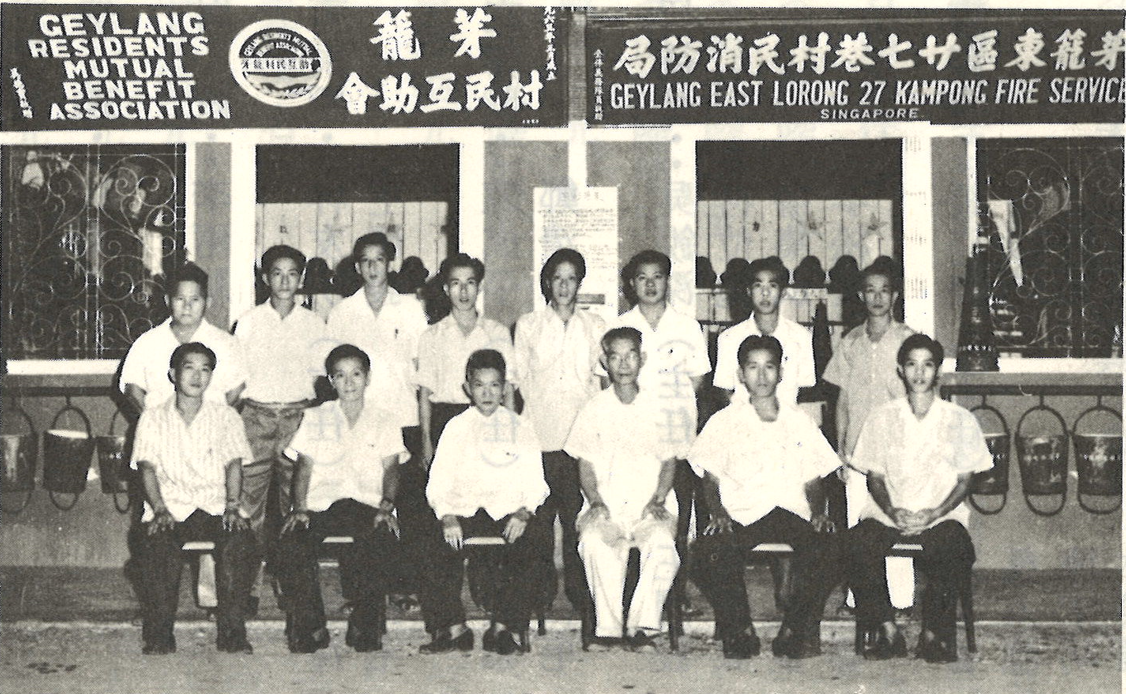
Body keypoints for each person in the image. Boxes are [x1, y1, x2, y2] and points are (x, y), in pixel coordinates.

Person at [689, 335, 842, 660]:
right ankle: (740, 628)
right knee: (709, 551)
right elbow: (710, 480)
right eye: (753, 367)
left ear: (781, 373)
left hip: (790, 512)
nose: (761, 376)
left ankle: (793, 629)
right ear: (741, 374)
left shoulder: (800, 422)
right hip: (743, 513)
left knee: (830, 548)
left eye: (769, 367)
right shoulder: (724, 421)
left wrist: (819, 512)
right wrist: (717, 513)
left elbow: (814, 481)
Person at [847, 334, 992, 664]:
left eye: (928, 364)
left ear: (937, 371)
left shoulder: (959, 419)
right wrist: (892, 510)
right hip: (890, 512)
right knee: (856, 544)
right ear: (900, 370)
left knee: (955, 547)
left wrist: (934, 512)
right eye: (911, 364)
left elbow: (965, 480)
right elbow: (875, 476)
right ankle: (886, 630)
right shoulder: (881, 417)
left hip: (940, 514)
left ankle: (933, 633)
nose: (919, 372)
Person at [120, 262, 249, 614]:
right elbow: (132, 388)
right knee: (156, 529)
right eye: (180, 299)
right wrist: (158, 422)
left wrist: (210, 419)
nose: (187, 307)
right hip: (163, 445)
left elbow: (236, 391)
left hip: (211, 445)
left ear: (205, 301)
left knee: (218, 528)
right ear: (168, 301)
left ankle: (213, 598)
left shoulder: (224, 341)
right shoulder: (149, 342)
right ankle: (157, 605)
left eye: (195, 299)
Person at [274, 344, 405, 654]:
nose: (349, 383)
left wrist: (387, 504)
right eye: (341, 376)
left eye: (356, 374)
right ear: (331, 380)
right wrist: (300, 508)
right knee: (292, 540)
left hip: (367, 503)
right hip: (322, 504)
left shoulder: (385, 418)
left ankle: (365, 625)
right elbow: (303, 467)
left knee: (379, 535)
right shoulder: (316, 416)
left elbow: (392, 469)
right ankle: (311, 626)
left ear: (368, 378)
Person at [419, 349, 551, 656]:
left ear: (505, 387)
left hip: (507, 511)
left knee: (534, 542)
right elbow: (438, 481)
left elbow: (536, 482)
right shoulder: (455, 428)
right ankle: (453, 628)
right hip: (465, 510)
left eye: (495, 385)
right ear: (467, 388)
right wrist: (447, 515)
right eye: (480, 385)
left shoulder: (522, 427)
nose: (488, 393)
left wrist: (524, 512)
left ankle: (504, 627)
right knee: (428, 541)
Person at [130, 342, 256, 655]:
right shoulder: (152, 418)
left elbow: (234, 464)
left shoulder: (226, 416)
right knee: (157, 546)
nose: (197, 376)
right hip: (170, 507)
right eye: (189, 368)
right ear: (173, 374)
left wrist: (232, 506)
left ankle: (233, 635)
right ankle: (159, 636)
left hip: (214, 505)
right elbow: (146, 467)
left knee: (240, 541)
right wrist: (159, 509)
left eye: (205, 369)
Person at [566, 327, 680, 651]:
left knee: (662, 547)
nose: (624, 364)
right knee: (592, 541)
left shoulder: (659, 407)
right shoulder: (594, 408)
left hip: (650, 505)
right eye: (615, 356)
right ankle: (608, 629)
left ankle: (642, 627)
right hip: (607, 504)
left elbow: (669, 461)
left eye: (631, 355)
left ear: (642, 359)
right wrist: (596, 502)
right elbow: (584, 464)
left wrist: (659, 498)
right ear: (605, 361)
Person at [233, 245, 330, 611]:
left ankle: (294, 591)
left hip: (297, 417)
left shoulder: (314, 324)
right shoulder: (249, 321)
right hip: (256, 416)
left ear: (302, 279)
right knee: (247, 506)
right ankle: (247, 591)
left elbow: (323, 380)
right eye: (277, 273)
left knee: (297, 505)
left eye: (292, 274)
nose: (285, 280)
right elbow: (238, 377)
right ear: (265, 278)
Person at [513, 248, 607, 612]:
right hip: (539, 435)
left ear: (579, 282)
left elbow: (601, 385)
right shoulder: (528, 325)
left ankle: (582, 595)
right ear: (547, 283)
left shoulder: (595, 325)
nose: (564, 286)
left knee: (577, 520)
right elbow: (517, 382)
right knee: (538, 524)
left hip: (581, 439)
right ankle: (539, 595)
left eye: (571, 278)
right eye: (557, 278)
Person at [823, 263, 916, 615]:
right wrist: (842, 451)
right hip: (859, 453)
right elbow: (843, 401)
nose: (877, 298)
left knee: (895, 521)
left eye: (884, 290)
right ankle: (858, 597)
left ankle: (901, 598)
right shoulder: (850, 342)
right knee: (857, 525)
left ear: (894, 296)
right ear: (861, 296)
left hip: (896, 452)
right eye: (870, 291)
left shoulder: (908, 340)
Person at [609, 250, 710, 550]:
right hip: (632, 433)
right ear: (631, 284)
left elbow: (698, 378)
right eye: (642, 278)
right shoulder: (618, 327)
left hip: (675, 431)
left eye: (657, 277)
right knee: (635, 512)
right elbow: (608, 382)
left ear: (667, 282)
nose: (650, 285)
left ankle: (675, 594)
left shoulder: (687, 326)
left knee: (676, 512)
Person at [418, 253, 515, 467]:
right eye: (456, 284)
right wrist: (425, 440)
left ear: (479, 287)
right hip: (445, 420)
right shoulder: (432, 336)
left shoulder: (497, 332)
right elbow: (425, 393)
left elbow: (508, 391)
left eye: (470, 283)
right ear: (445, 289)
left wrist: (510, 434)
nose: (463, 292)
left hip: (487, 417)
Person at [713, 256, 814, 408]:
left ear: (783, 292)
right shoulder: (729, 338)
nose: (765, 293)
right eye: (758, 286)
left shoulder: (801, 337)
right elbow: (724, 390)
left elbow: (805, 391)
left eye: (772, 285)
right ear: (748, 291)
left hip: (787, 425)